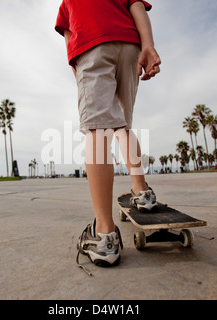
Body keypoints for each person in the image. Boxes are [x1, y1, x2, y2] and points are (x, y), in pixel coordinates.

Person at [55, 0, 161, 274]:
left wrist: (75, 65)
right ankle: (142, 192)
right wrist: (147, 46)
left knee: (99, 129)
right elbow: (136, 6)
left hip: (91, 46)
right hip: (129, 46)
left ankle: (103, 235)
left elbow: (68, 34)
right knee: (123, 126)